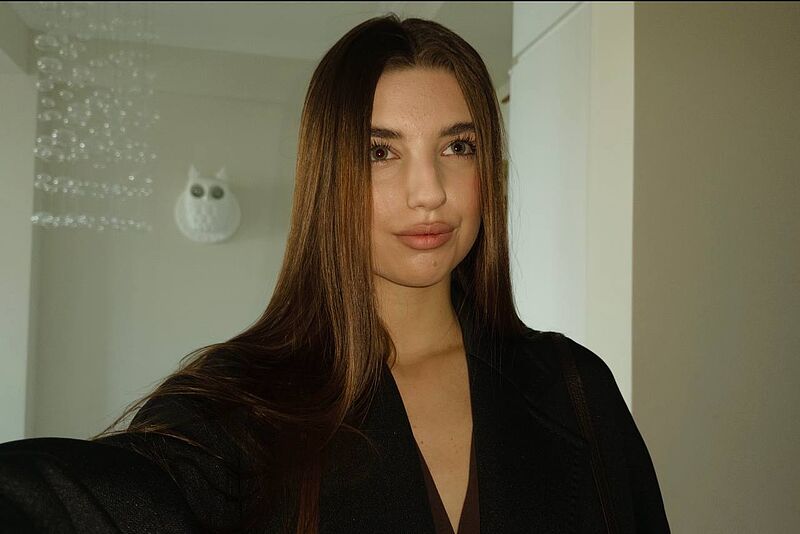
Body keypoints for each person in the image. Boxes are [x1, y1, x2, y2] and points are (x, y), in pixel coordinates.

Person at [0, 14, 670, 534]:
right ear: (328, 177)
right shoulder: (238, 405)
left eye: (458, 146)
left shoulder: (575, 387)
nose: (430, 192)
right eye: (381, 152)